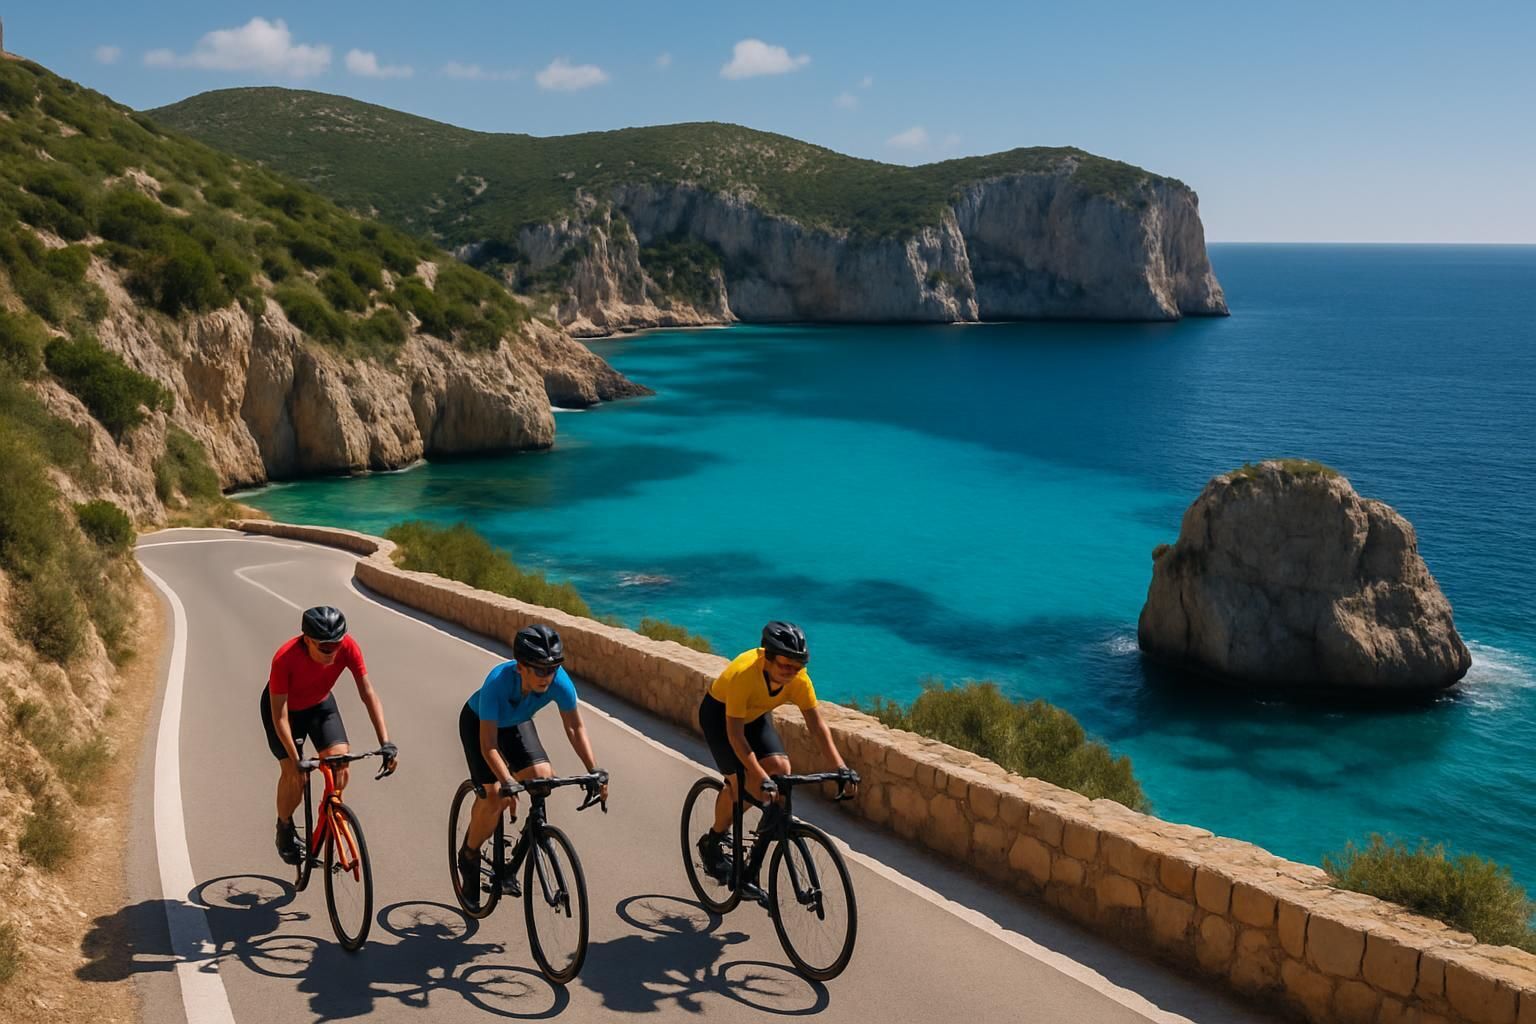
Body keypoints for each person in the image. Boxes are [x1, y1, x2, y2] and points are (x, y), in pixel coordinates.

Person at [456, 623, 608, 907]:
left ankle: (521, 851)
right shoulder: (497, 683)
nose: (547, 676)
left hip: (515, 724)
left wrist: (594, 769)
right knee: (494, 797)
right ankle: (469, 855)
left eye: (552, 668)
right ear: (520, 667)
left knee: (543, 778)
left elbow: (574, 727)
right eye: (539, 670)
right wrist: (507, 782)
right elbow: (488, 745)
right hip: (480, 725)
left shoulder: (559, 681)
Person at [695, 621, 854, 878]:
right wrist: (760, 776)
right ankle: (712, 840)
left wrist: (841, 767)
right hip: (720, 719)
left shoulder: (799, 680)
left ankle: (754, 862)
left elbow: (816, 726)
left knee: (781, 770)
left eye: (797, 667)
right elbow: (735, 735)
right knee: (741, 784)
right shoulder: (745, 674)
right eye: (785, 665)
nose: (791, 672)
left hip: (755, 716)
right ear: (768, 658)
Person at [261, 605, 397, 866]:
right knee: (295, 776)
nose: (333, 651)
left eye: (337, 644)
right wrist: (297, 760)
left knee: (341, 765)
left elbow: (368, 693)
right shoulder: (285, 658)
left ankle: (329, 814)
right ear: (307, 640)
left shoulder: (348, 647)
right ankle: (284, 826)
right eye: (325, 647)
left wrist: (386, 742)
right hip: (286, 711)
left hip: (320, 704)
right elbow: (280, 717)